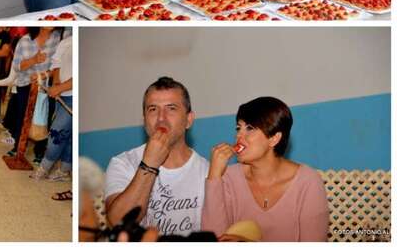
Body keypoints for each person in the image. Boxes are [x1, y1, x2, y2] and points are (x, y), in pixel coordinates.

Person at [201, 97, 329, 241]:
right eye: (238, 128)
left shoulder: (308, 182)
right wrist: (214, 177)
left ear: (274, 138)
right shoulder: (228, 177)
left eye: (249, 128)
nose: (238, 135)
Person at [105, 77, 209, 237]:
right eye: (153, 109)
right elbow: (118, 222)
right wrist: (149, 164)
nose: (161, 118)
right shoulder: (122, 163)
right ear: (144, 119)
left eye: (171, 108)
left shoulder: (208, 171)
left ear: (189, 120)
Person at [2, 27, 61, 161]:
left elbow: (58, 65)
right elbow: (17, 66)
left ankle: (40, 150)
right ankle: (17, 147)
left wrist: (45, 75)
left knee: (45, 117)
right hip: (25, 84)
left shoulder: (57, 37)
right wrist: (34, 60)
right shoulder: (25, 40)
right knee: (22, 117)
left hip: (46, 86)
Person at [33, 31, 73, 183]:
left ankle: (45, 169)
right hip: (62, 95)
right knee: (63, 134)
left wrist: (61, 87)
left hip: (74, 96)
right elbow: (57, 65)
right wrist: (56, 86)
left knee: (58, 135)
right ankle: (62, 171)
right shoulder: (66, 41)